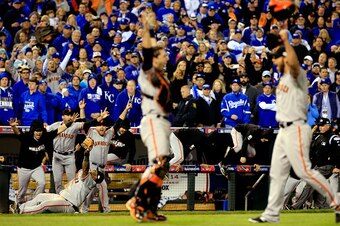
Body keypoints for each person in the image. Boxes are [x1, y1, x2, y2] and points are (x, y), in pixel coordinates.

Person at [249, 30, 340, 224]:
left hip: (297, 128)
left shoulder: (297, 75)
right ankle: (272, 213)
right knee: (276, 171)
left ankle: (336, 202)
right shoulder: (282, 78)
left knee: (304, 172)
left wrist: (286, 42)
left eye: (277, 58)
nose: (274, 61)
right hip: (283, 129)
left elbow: (293, 60)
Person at [126, 11, 171, 222]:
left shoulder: (162, 77)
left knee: (163, 167)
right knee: (159, 163)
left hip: (162, 121)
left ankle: (150, 208)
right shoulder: (148, 71)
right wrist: (149, 28)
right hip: (152, 120)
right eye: (163, 54)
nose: (166, 56)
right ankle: (137, 201)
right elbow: (147, 50)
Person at [18, 138, 105, 214]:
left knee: (45, 205)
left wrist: (87, 153)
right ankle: (19, 207)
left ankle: (22, 211)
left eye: (96, 173)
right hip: (61, 197)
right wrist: (81, 150)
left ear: (95, 178)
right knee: (40, 197)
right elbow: (82, 166)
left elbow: (85, 167)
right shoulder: (84, 174)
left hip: (69, 204)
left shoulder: (90, 182)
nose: (94, 171)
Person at [9, 115, 78, 209]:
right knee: (22, 191)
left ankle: (33, 202)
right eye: (36, 131)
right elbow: (18, 134)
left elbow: (59, 130)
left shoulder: (45, 136)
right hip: (24, 168)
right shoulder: (27, 137)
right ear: (33, 131)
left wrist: (70, 123)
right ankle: (19, 204)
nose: (38, 133)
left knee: (42, 183)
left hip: (36, 167)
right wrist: (13, 126)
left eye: (40, 130)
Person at [290, 118, 340, 210]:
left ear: (328, 126)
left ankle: (295, 207)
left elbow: (338, 153)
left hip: (327, 166)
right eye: (319, 125)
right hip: (317, 166)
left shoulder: (333, 138)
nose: (320, 127)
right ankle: (322, 206)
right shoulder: (318, 136)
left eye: (322, 126)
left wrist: (338, 166)